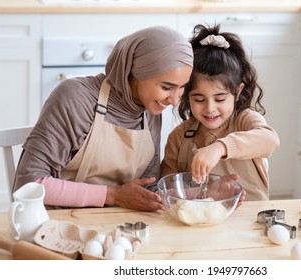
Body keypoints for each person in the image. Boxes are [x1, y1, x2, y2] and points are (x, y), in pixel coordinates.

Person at [13, 26, 194, 211]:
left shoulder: (150, 111)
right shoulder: (76, 98)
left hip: (116, 225)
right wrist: (113, 195)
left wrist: (200, 194)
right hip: (58, 226)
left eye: (182, 88)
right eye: (166, 87)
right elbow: (30, 184)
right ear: (136, 73)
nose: (174, 101)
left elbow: (146, 187)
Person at [160, 24, 280, 201]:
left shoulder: (244, 120)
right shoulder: (179, 137)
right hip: (200, 222)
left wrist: (219, 148)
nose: (210, 108)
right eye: (199, 99)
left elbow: (270, 140)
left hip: (251, 221)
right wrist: (204, 194)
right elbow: (168, 189)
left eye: (220, 99)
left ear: (237, 92)